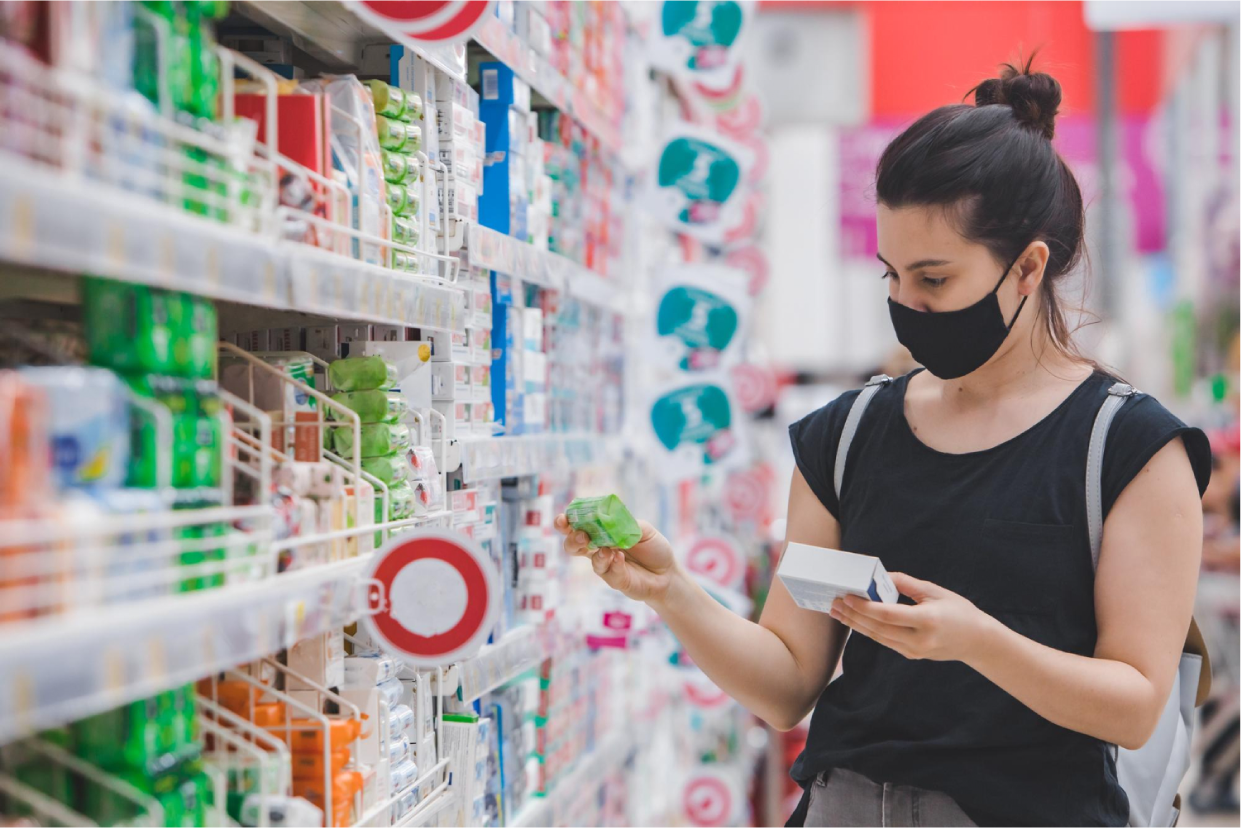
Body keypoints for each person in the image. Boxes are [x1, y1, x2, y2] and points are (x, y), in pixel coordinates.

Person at [556, 60, 1212, 827]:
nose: (906, 304)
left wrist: (976, 643)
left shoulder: (1125, 447)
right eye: (891, 275)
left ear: (1027, 266)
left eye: (933, 279)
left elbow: (1134, 704)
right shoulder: (848, 435)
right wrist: (670, 589)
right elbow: (787, 683)